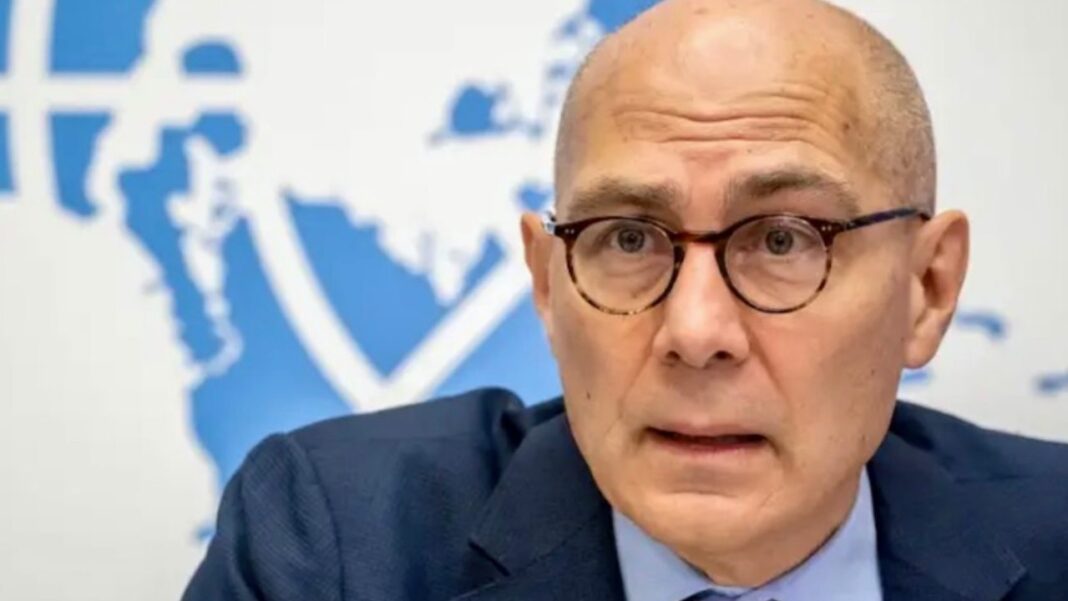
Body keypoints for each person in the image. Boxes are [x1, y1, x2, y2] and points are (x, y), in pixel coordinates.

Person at [183, 0, 1068, 599]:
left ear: (927, 287)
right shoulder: (335, 548)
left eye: (783, 239)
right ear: (547, 283)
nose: (696, 331)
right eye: (630, 240)